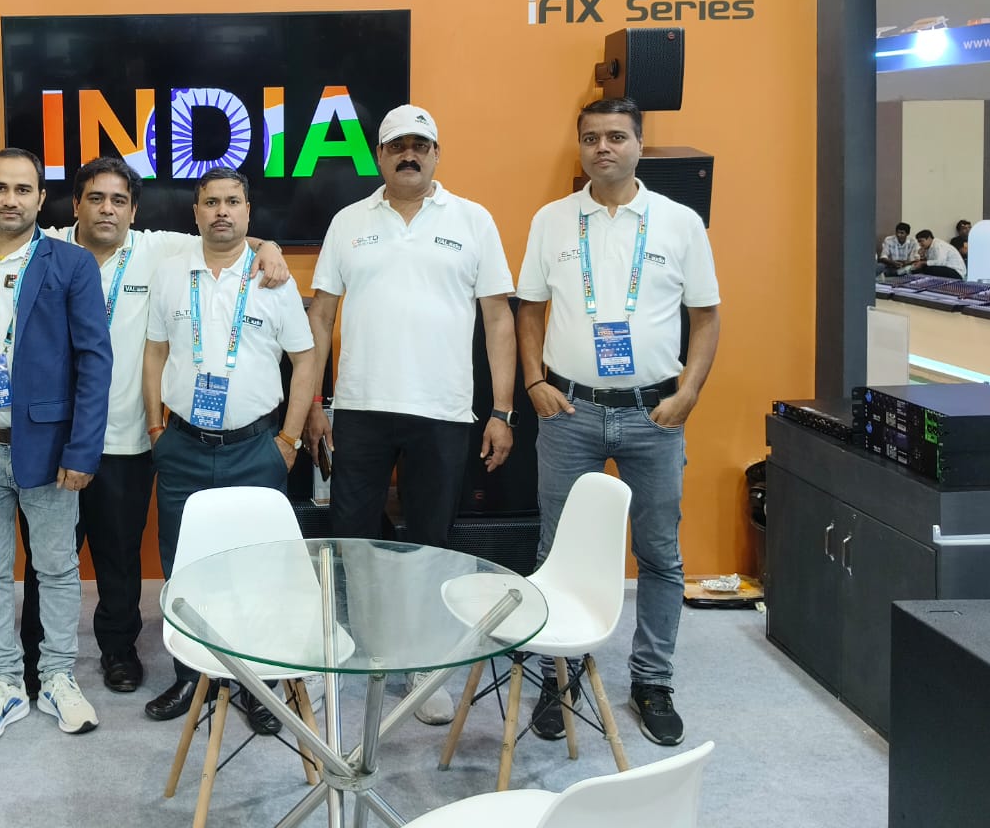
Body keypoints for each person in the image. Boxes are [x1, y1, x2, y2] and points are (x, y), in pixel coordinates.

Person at [19, 157, 288, 698]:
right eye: (96, 198)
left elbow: (228, 233)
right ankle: (36, 656)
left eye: (119, 201)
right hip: (52, 437)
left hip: (125, 437)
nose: (107, 209)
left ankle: (119, 649)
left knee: (119, 557)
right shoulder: (43, 248)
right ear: (76, 204)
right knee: (46, 557)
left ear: (134, 210)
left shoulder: (158, 249)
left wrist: (272, 248)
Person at [516, 96, 721, 749]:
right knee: (556, 552)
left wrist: (689, 392)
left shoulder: (679, 223)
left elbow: (706, 316)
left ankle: (651, 681)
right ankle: (560, 676)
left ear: (637, 144)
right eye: (590, 138)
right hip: (568, 412)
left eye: (615, 136)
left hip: (653, 414)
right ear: (579, 147)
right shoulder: (551, 221)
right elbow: (528, 309)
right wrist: (534, 381)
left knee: (658, 554)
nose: (602, 147)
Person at [303, 104, 518, 725]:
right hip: (361, 408)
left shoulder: (473, 221)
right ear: (379, 155)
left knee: (431, 542)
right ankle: (355, 652)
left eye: (421, 144)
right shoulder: (348, 222)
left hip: (442, 410)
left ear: (436, 155)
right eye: (397, 144)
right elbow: (321, 317)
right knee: (351, 539)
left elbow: (498, 320)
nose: (409, 154)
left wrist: (502, 410)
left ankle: (422, 661)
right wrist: (315, 403)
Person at [142, 166, 319, 733]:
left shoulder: (274, 278)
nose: (222, 211)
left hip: (255, 448)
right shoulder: (171, 273)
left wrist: (289, 440)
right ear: (195, 212)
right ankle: (190, 676)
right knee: (183, 566)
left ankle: (257, 683)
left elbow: (306, 360)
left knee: (258, 570)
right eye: (211, 201)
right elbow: (154, 351)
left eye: (232, 202)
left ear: (248, 211)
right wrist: (155, 428)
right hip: (182, 446)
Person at [0, 148, 112, 743]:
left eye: (24, 189)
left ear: (42, 199)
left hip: (48, 447)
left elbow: (95, 361)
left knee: (57, 568)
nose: (11, 199)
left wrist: (82, 450)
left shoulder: (70, 263)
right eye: (0, 187)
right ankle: (3, 683)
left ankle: (56, 677)